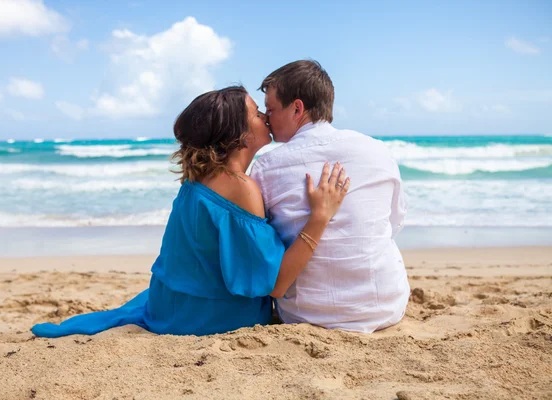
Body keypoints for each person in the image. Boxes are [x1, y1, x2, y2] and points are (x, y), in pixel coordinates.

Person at [31, 86, 350, 338]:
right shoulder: (241, 186)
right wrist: (320, 217)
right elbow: (276, 285)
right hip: (209, 319)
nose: (265, 117)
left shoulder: (197, 177)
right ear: (237, 131)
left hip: (167, 305)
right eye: (256, 113)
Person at [251, 60, 410, 333]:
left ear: (297, 108)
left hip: (306, 314)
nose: (266, 118)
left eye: (271, 109)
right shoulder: (377, 151)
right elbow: (393, 224)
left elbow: (262, 247)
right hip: (384, 306)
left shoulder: (266, 167)